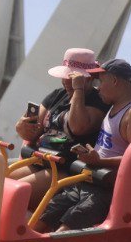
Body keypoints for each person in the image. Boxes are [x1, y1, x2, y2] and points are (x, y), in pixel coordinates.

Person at [38, 59, 131, 232]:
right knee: (42, 218)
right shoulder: (113, 106)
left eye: (101, 81)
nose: (97, 88)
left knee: (62, 233)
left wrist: (99, 161)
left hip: (105, 190)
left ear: (114, 80)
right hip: (88, 180)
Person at [11, 47, 108, 210]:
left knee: (14, 193)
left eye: (72, 77)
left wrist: (78, 91)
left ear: (89, 78)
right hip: (41, 160)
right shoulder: (57, 94)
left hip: (65, 169)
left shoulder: (98, 101)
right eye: (65, 76)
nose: (65, 81)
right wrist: (21, 127)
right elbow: (32, 130)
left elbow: (77, 127)